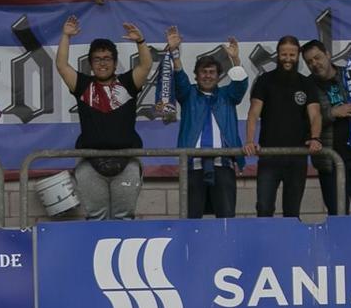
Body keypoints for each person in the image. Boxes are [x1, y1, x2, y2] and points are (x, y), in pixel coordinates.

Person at [55, 14, 153, 220]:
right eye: (97, 59)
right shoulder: (83, 86)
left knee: (124, 217)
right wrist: (65, 36)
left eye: (107, 58)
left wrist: (140, 42)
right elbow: (62, 66)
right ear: (90, 63)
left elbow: (145, 66)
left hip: (127, 162)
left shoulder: (127, 84)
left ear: (115, 63)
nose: (102, 63)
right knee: (95, 217)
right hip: (90, 164)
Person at [168, 30, 248, 218]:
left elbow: (240, 85)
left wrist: (236, 61)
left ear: (219, 76)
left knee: (226, 219)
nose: (207, 76)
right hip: (193, 165)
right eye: (203, 72)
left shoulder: (227, 96)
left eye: (212, 72)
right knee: (191, 219)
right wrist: (175, 53)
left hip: (224, 164)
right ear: (196, 76)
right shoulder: (189, 95)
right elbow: (179, 79)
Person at [302, 38, 351, 217]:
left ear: (328, 55)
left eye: (318, 57)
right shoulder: (306, 86)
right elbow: (304, 123)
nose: (315, 64)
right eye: (309, 62)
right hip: (330, 162)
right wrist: (332, 113)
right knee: (337, 216)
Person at [245, 34, 323, 217]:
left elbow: (315, 115)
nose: (288, 59)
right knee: (264, 208)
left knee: (292, 211)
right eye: (284, 55)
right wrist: (249, 141)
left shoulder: (307, 83)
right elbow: (253, 113)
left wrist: (315, 138)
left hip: (297, 159)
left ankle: (290, 246)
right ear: (278, 55)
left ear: (298, 57)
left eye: (292, 55)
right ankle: (264, 244)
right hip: (269, 157)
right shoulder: (265, 80)